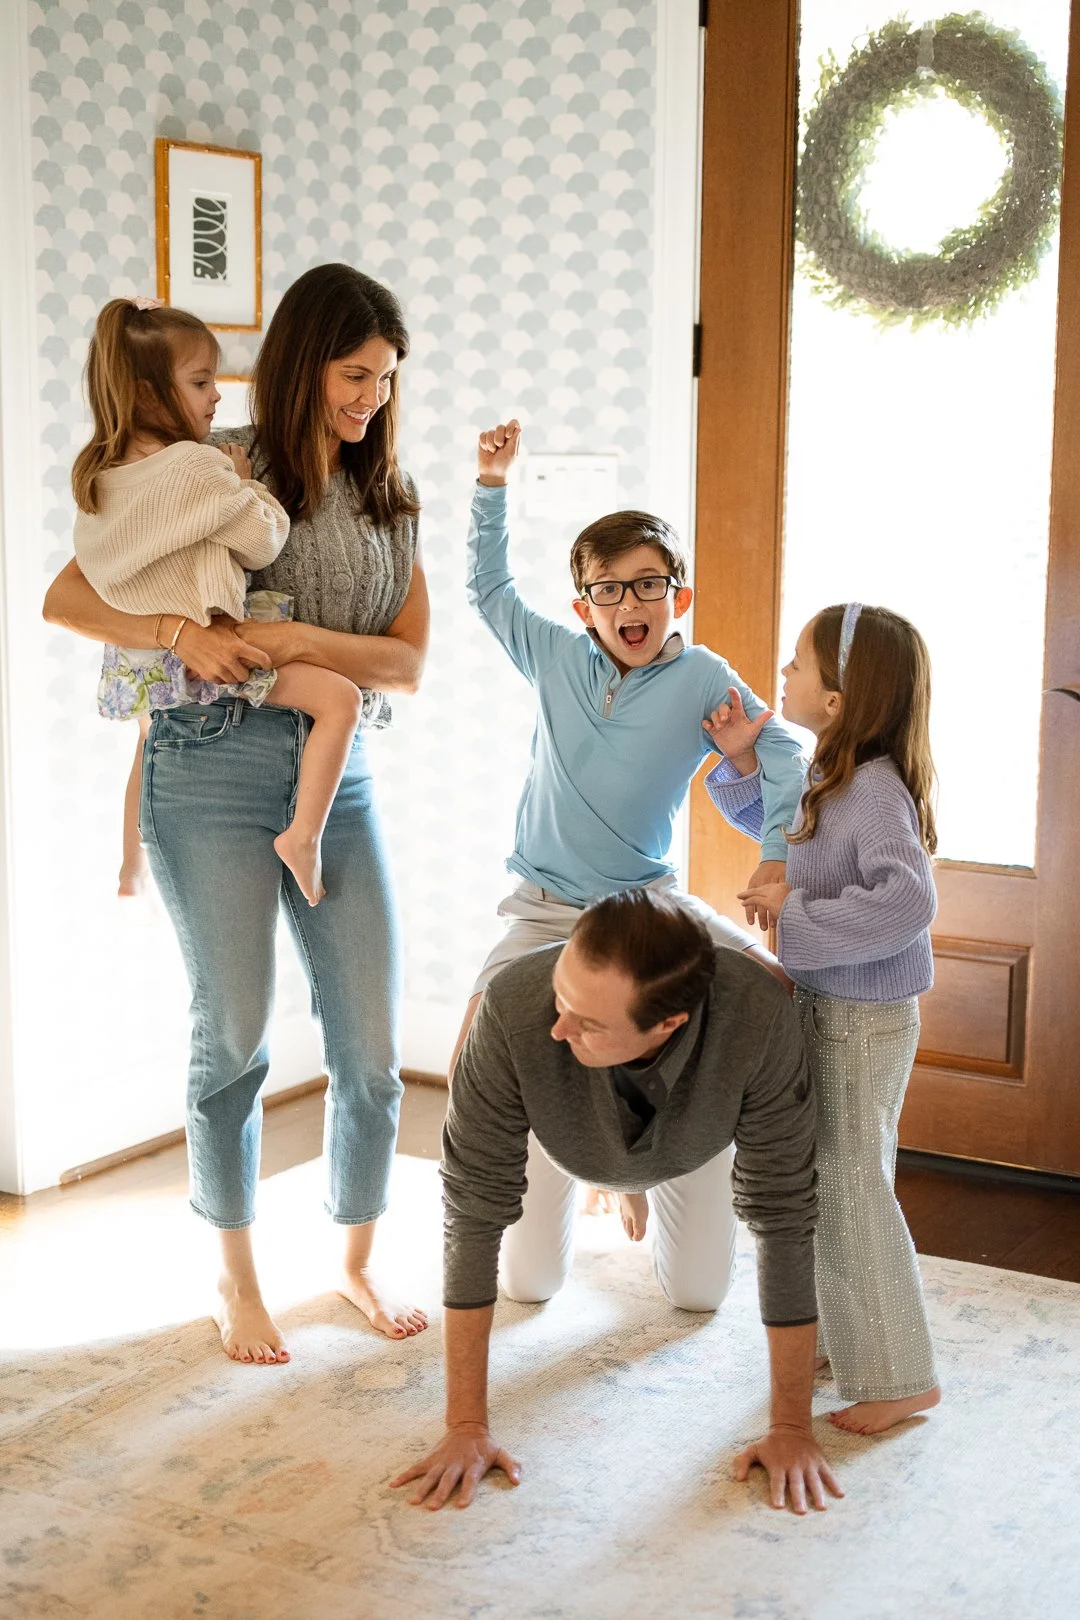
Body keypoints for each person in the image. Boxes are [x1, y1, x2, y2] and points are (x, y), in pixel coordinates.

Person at [43, 264, 430, 1362]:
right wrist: (176, 636)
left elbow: (406, 662)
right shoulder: (218, 462)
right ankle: (235, 1275)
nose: (371, 398)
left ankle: (354, 1259)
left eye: (387, 380)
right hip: (206, 769)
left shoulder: (390, 499)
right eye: (357, 374)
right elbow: (74, 594)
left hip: (334, 776)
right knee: (237, 1039)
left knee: (369, 1048)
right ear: (307, 363)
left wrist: (302, 644)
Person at [453, 418, 806, 1223]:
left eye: (648, 584)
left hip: (646, 907)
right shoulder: (552, 655)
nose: (629, 602)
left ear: (678, 596)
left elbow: (783, 749)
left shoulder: (703, 677)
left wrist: (777, 855)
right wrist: (490, 484)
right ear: (585, 608)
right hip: (544, 907)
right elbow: (488, 590)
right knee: (474, 1042)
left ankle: (672, 1160)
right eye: (608, 589)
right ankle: (489, 1216)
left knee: (776, 984)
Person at [392, 888, 842, 1513]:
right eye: (561, 996)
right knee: (530, 1282)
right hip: (558, 1136)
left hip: (693, 1143)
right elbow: (472, 1207)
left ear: (667, 1024)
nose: (558, 1026)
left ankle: (634, 1181)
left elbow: (785, 1212)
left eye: (589, 1022)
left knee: (698, 1295)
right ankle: (604, 1177)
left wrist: (792, 1427)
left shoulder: (760, 1017)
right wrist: (465, 1427)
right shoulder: (514, 1007)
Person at [706, 602, 940, 1435]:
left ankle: (899, 1376)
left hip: (862, 1018)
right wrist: (739, 760)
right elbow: (777, 827)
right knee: (836, 1179)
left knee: (849, 1187)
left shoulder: (872, 789)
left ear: (838, 698)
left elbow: (909, 901)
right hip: (837, 1006)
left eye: (798, 666)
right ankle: (854, 1334)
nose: (784, 676)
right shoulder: (826, 774)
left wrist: (795, 912)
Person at [73, 295, 367, 908]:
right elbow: (263, 541)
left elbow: (96, 571)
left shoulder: (99, 475)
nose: (216, 396)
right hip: (216, 652)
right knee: (341, 700)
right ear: (150, 394)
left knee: (150, 740)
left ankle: (132, 861)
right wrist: (244, 482)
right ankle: (305, 838)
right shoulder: (197, 467)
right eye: (202, 381)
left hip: (144, 658)